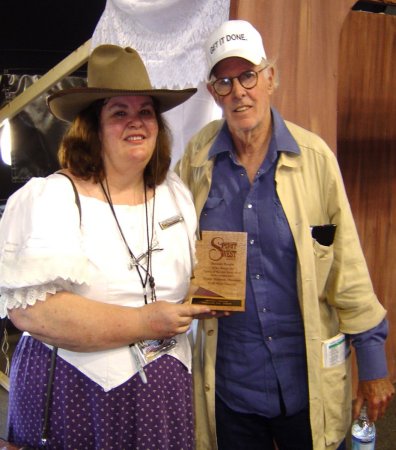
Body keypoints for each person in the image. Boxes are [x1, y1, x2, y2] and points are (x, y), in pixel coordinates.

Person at [175, 20, 395, 450]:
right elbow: (179, 252)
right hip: (231, 386)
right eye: (224, 81)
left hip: (306, 382)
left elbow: (347, 265)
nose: (238, 91)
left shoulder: (315, 160)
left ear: (270, 78)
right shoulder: (197, 161)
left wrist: (372, 363)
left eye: (248, 76)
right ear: (212, 92)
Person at [0, 44, 212, 449]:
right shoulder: (52, 199)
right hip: (77, 396)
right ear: (92, 127)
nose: (136, 123)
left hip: (162, 397)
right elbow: (34, 314)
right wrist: (148, 322)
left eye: (145, 112)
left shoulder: (174, 194)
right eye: (120, 112)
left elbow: (190, 278)